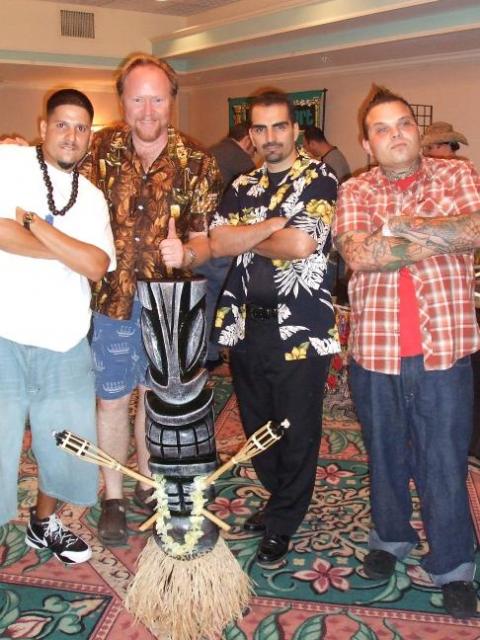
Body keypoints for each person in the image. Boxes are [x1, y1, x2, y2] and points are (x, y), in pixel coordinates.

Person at [333, 85, 480, 619]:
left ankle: (454, 564)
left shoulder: (458, 176)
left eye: (403, 124)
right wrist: (439, 233)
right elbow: (359, 254)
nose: (395, 135)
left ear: (417, 131)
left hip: (445, 352)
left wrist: (398, 231)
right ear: (367, 143)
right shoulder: (354, 190)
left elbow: (475, 230)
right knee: (385, 454)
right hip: (376, 353)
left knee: (444, 460)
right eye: (382, 128)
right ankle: (390, 538)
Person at [80, 54, 222, 546]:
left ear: (172, 101)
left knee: (157, 399)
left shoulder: (198, 161)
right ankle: (114, 497)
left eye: (157, 99)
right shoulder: (97, 150)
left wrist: (188, 252)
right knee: (112, 399)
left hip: (170, 306)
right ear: (122, 100)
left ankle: (148, 482)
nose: (147, 109)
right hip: (113, 302)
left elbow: (205, 241)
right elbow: (50, 172)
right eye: (137, 98)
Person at [210, 91, 340, 566]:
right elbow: (218, 242)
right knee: (258, 426)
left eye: (279, 126)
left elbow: (303, 244)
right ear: (252, 134)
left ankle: (284, 519)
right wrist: (271, 228)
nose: (270, 137)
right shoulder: (242, 184)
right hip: (246, 327)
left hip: (302, 329)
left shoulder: (319, 178)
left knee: (297, 428)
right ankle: (277, 496)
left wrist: (247, 234)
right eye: (261, 129)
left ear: (295, 129)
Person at [0, 89, 115, 564]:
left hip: (66, 339)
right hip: (4, 334)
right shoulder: (9, 163)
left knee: (66, 444)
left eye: (81, 127)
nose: (71, 135)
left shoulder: (92, 197)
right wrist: (69, 250)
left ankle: (43, 522)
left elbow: (98, 265)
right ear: (43, 127)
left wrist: (36, 227)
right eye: (62, 124)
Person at [196, 123, 256, 370]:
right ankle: (227, 354)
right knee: (231, 298)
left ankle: (207, 357)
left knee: (207, 299)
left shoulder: (209, 152)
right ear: (248, 139)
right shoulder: (240, 160)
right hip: (223, 242)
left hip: (200, 240)